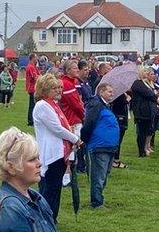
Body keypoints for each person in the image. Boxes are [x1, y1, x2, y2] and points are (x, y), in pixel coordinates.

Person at [32, 73, 81, 222]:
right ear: (45, 89)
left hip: (57, 151)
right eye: (54, 88)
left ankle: (51, 217)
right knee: (50, 188)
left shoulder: (52, 104)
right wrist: (75, 139)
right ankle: (47, 217)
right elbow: (56, 128)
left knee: (54, 187)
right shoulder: (42, 106)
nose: (59, 90)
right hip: (51, 152)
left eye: (59, 87)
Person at [80, 83, 120, 209]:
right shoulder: (96, 104)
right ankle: (97, 201)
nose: (112, 94)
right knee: (99, 174)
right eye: (109, 91)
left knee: (104, 173)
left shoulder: (104, 105)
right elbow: (89, 123)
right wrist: (85, 139)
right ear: (101, 92)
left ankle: (99, 198)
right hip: (99, 146)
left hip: (108, 145)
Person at [130, 67, 157, 158]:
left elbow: (152, 93)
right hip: (141, 111)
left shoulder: (144, 83)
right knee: (141, 132)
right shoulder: (137, 83)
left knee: (147, 130)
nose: (146, 73)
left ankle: (145, 148)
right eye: (144, 71)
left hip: (147, 110)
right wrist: (154, 96)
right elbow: (149, 94)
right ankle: (141, 151)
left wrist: (154, 95)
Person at [26, 53, 40, 126]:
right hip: (32, 88)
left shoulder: (34, 66)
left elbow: (38, 75)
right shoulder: (31, 67)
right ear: (32, 58)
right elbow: (35, 78)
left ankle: (32, 120)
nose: (37, 58)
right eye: (36, 57)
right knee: (32, 105)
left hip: (35, 88)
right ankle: (30, 120)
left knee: (34, 105)